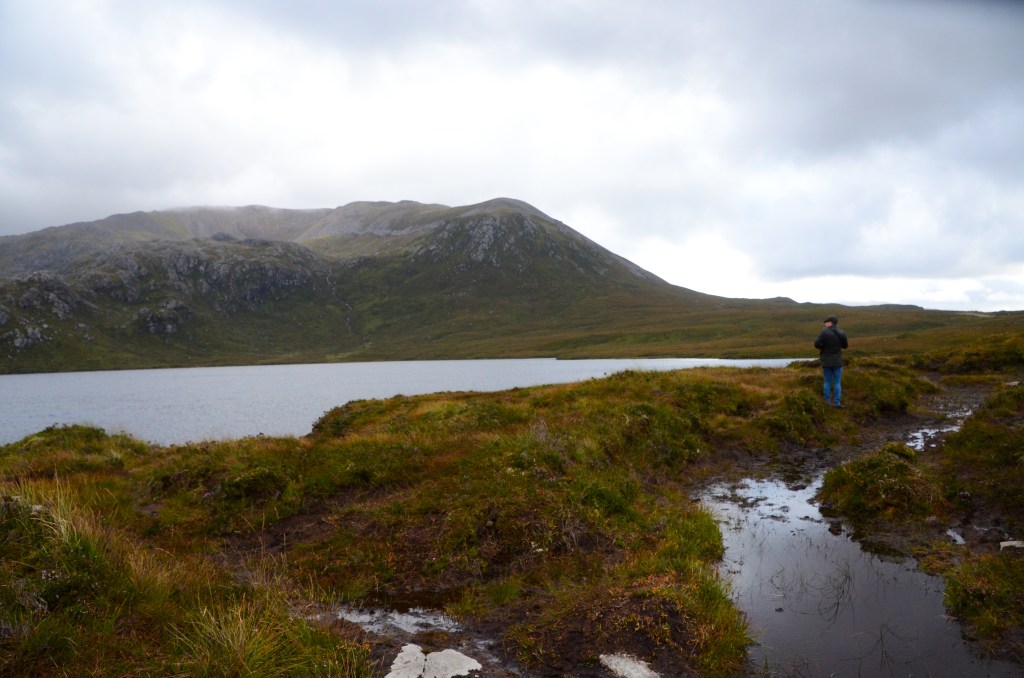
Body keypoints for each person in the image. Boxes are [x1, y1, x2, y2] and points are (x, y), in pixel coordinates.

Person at [814, 315, 848, 407]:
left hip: (826, 361)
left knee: (827, 382)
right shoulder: (841, 332)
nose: (825, 323)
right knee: (837, 382)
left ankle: (827, 401)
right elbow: (845, 346)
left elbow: (816, 344)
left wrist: (823, 347)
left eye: (826, 322)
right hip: (837, 361)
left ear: (830, 323)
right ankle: (837, 403)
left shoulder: (824, 332)